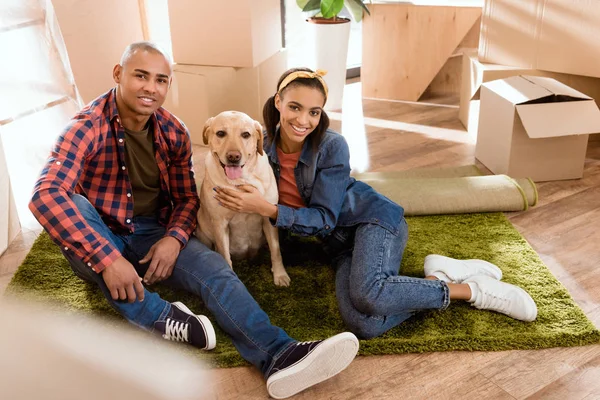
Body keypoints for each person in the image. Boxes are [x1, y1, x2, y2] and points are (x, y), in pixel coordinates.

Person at [29, 43, 359, 399]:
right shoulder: (86, 126)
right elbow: (44, 194)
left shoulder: (172, 130)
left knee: (217, 270)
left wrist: (173, 237)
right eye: (140, 76)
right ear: (118, 74)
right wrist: (108, 259)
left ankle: (278, 353)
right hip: (98, 233)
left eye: (161, 80)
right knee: (74, 203)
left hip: (151, 230)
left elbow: (187, 198)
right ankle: (162, 316)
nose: (150, 88)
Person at [213, 67, 539, 340]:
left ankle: (471, 290)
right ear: (278, 103)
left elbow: (324, 218)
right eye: (295, 107)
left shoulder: (331, 146)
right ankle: (439, 276)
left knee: (369, 294)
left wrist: (266, 209)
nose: (303, 120)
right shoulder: (258, 146)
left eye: (314, 112)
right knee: (364, 324)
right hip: (339, 247)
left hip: (374, 222)